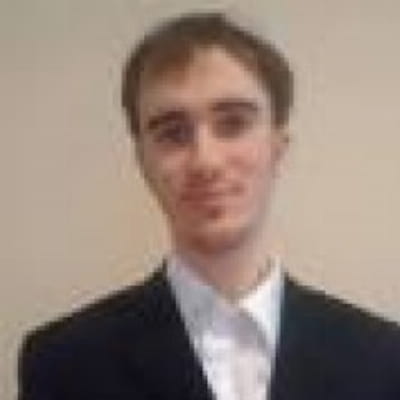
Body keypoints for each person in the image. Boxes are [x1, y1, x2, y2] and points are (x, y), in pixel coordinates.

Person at [18, 12, 400, 400]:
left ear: (277, 147)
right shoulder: (62, 363)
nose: (206, 161)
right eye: (173, 133)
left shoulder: (383, 358)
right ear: (143, 162)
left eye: (233, 124)